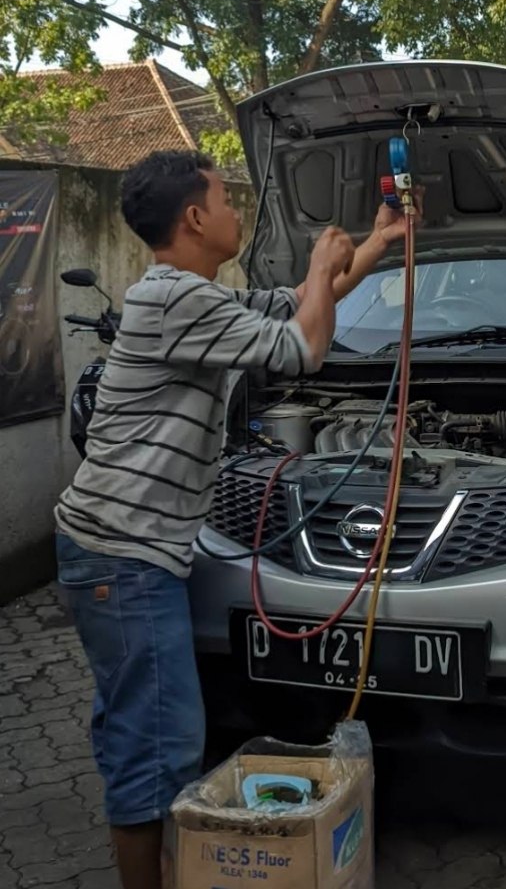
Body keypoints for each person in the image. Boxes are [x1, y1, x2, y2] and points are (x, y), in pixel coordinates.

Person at [53, 150, 421, 889]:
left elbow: (299, 306)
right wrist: (321, 263)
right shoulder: (175, 300)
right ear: (193, 218)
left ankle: (156, 856)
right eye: (225, 200)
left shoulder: (193, 296)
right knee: (158, 741)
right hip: (123, 557)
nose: (235, 212)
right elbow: (305, 349)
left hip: (127, 552)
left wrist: (375, 244)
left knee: (140, 725)